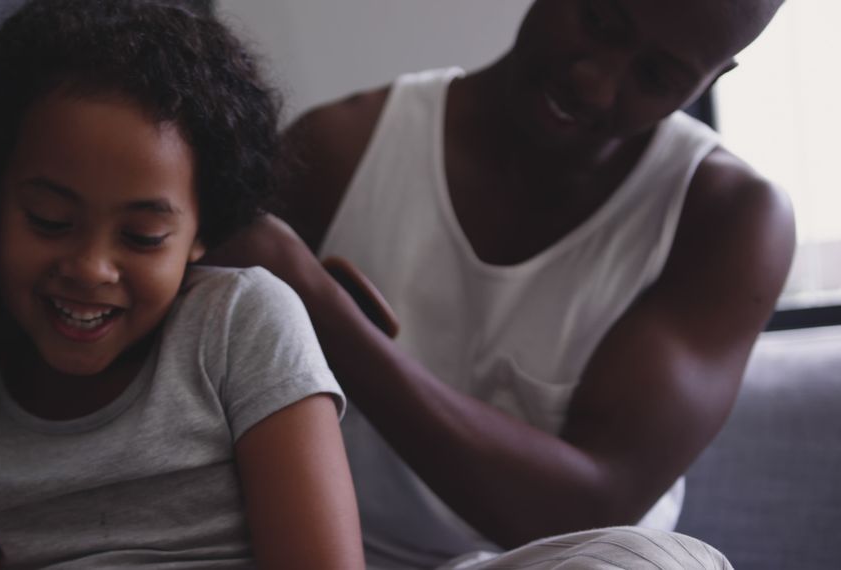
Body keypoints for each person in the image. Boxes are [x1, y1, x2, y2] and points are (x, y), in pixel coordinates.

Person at [207, 0, 794, 567]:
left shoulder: (728, 216)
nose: (596, 83)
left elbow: (592, 508)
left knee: (658, 563)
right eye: (596, 20)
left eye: (658, 75)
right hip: (349, 559)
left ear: (716, 75)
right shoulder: (341, 149)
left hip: (575, 565)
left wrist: (322, 307)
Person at [0, 1, 364, 568]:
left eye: (144, 235)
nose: (92, 267)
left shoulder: (242, 323)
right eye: (50, 221)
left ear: (203, 231)